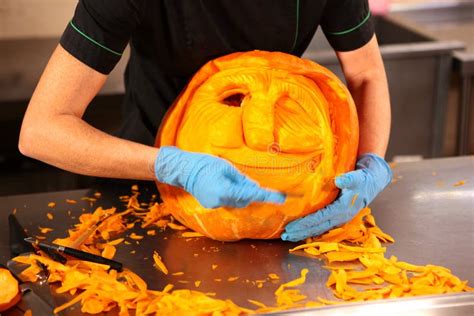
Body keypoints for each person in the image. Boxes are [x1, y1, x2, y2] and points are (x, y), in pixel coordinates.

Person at [19, 0, 392, 242]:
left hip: (289, 192)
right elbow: (41, 130)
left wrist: (371, 164)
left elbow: (365, 73)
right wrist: (173, 166)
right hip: (151, 189)